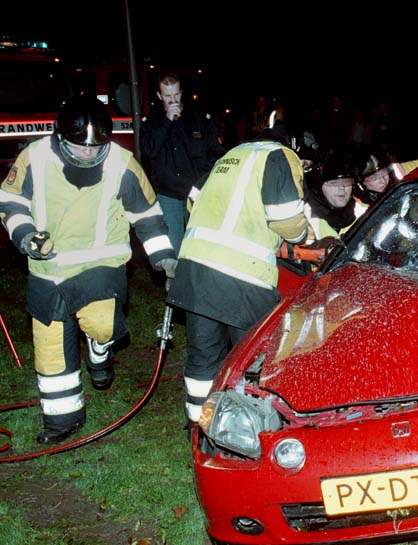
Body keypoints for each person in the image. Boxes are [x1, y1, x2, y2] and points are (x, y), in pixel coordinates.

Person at [0, 96, 176, 444]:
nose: (88, 154)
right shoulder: (33, 158)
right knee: (51, 350)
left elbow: (147, 216)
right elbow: (12, 201)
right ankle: (62, 419)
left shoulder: (122, 164)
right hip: (47, 270)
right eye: (80, 147)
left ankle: (100, 350)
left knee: (102, 323)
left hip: (102, 266)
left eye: (97, 147)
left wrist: (164, 258)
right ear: (59, 136)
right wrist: (25, 234)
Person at [166, 127, 307, 425]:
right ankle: (246, 427)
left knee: (203, 355)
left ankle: (198, 425)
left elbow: (193, 200)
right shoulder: (279, 156)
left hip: (195, 270)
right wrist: (302, 234)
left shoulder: (229, 157)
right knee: (250, 358)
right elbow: (286, 218)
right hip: (244, 276)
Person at [141, 73, 225, 253]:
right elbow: (149, 150)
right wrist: (167, 121)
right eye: (167, 96)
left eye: (176, 94)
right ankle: (173, 281)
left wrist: (201, 181)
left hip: (196, 195)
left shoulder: (200, 119)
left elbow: (216, 153)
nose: (173, 100)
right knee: (173, 248)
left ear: (181, 92)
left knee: (200, 247)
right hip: (168, 195)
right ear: (159, 96)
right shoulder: (152, 122)